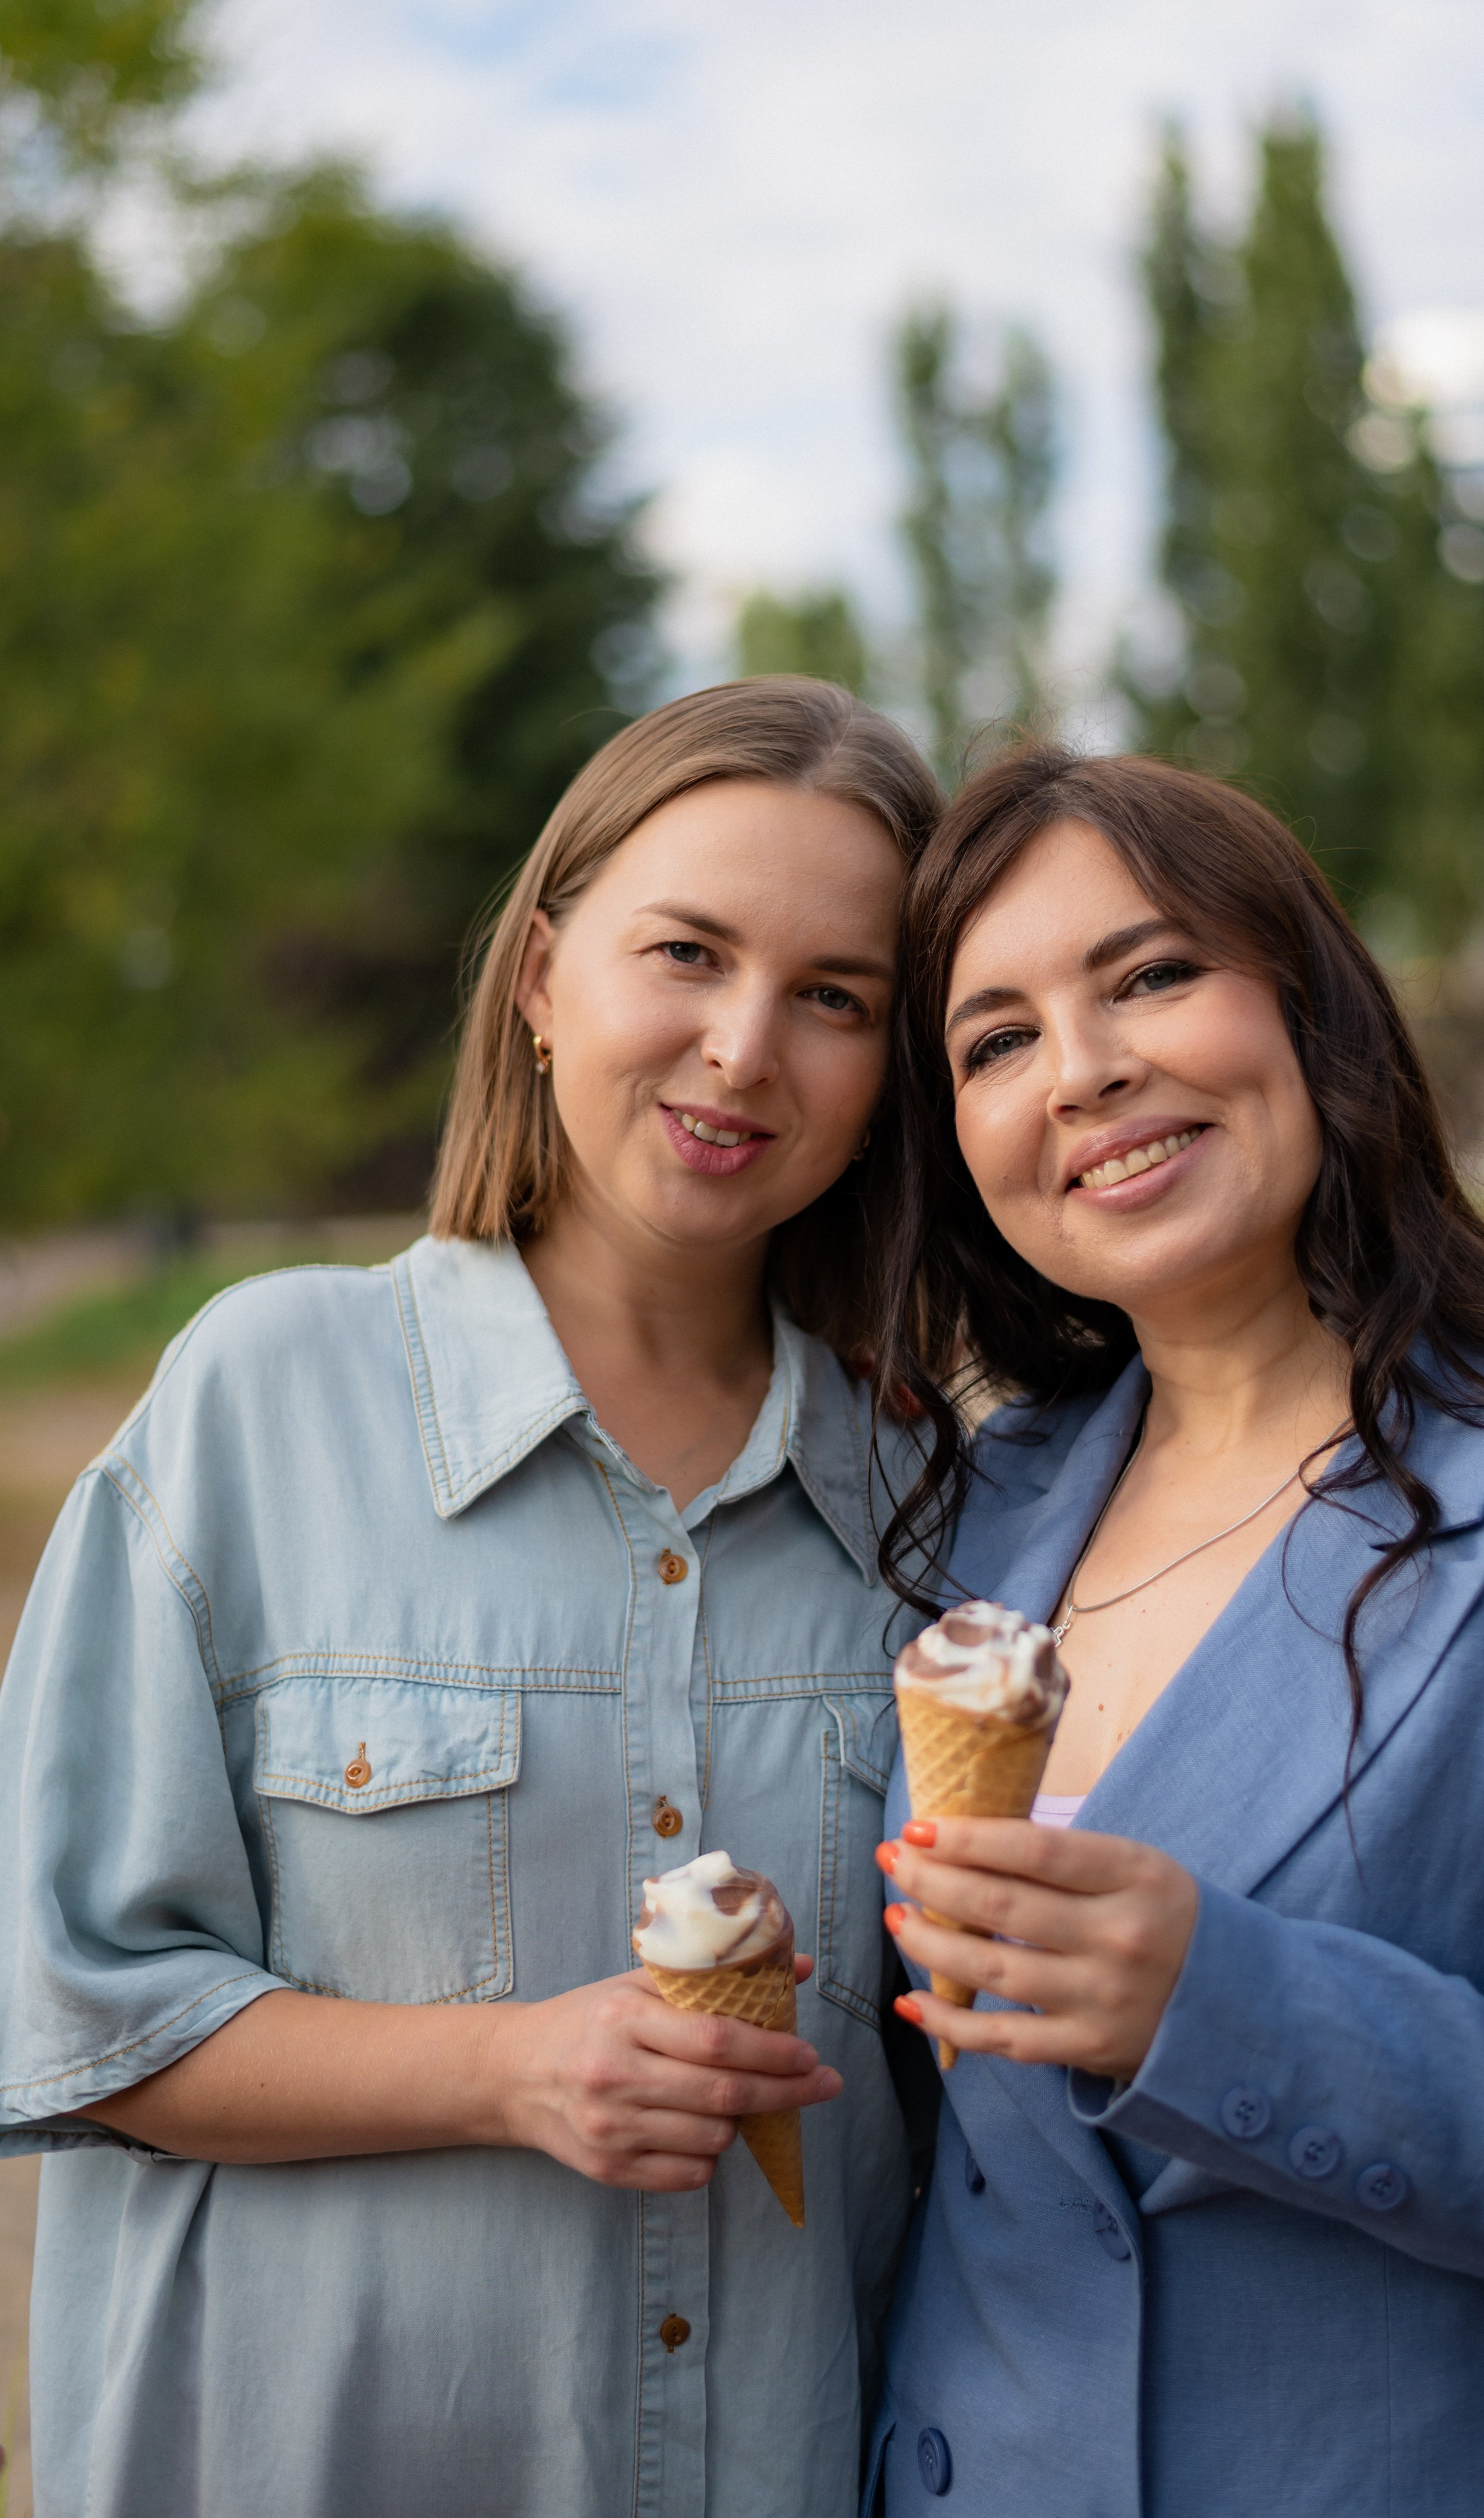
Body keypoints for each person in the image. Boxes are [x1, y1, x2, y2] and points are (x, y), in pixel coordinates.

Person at [0, 679, 943, 2518]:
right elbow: (73, 1998)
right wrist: (510, 2066)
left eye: (835, 996)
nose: (745, 1047)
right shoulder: (258, 1398)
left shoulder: (925, 1513)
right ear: (537, 973)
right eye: (686, 949)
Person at [864, 746, 1484, 2517]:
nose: (1084, 1072)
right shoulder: (971, 1511)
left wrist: (1231, 2006)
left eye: (1150, 974)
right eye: (995, 1039)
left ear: (1311, 1010)